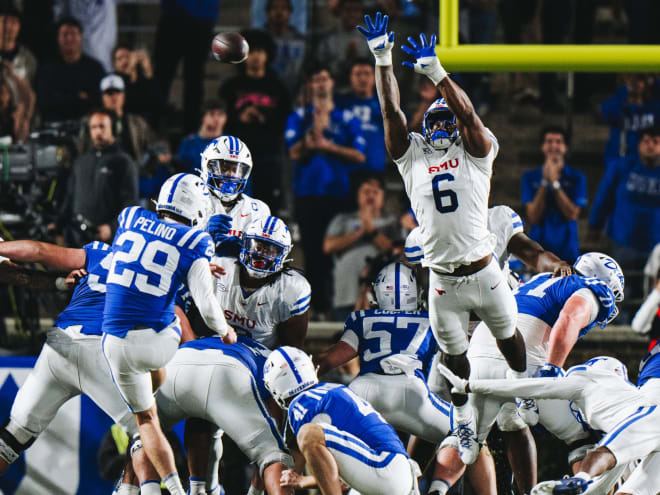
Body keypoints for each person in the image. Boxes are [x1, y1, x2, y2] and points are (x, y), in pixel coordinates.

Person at [357, 12, 527, 464]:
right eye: (431, 120)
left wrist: (436, 72)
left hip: (485, 270)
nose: (437, 127)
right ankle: (465, 417)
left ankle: (523, 391)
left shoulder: (476, 153)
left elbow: (468, 113)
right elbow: (390, 111)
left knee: (510, 339)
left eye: (443, 119)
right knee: (454, 360)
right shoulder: (411, 157)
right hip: (442, 282)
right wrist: (383, 59)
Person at [405, 204, 573, 494]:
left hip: (496, 330)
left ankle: (527, 491)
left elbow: (532, 253)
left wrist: (554, 264)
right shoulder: (427, 230)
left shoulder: (497, 218)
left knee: (511, 418)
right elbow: (424, 279)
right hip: (456, 332)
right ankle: (406, 485)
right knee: (433, 416)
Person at [428, 252, 624, 495]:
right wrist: (551, 369)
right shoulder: (589, 288)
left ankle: (436, 489)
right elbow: (570, 316)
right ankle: (589, 488)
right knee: (585, 437)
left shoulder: (539, 279)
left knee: (468, 434)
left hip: (480, 355)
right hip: (525, 361)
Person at [101, 173, 237, 495]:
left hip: (112, 342)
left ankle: (153, 490)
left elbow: (142, 257)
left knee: (146, 420)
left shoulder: (130, 216)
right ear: (199, 211)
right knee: (174, 313)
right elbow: (206, 307)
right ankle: (180, 490)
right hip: (156, 342)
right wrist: (226, 331)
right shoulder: (196, 241)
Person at [314, 262, 499, 495]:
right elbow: (461, 351)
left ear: (377, 293)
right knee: (470, 432)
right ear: (417, 294)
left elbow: (332, 358)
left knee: (326, 441)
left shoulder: (362, 318)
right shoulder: (430, 318)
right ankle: (438, 488)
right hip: (412, 391)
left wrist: (302, 373)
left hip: (363, 392)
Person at [0, 240, 142, 479]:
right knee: (146, 433)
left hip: (61, 343)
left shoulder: (99, 252)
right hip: (99, 347)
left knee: (15, 434)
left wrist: (57, 281)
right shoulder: (164, 266)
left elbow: (21, 265)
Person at [439, 356, 660, 495]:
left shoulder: (582, 383)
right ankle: (580, 483)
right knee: (634, 488)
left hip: (641, 427)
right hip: (636, 435)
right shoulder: (625, 391)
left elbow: (530, 387)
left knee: (606, 455)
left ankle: (578, 481)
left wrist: (470, 385)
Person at [263, 346, 421, 495]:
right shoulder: (331, 391)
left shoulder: (303, 404)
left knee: (308, 433)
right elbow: (335, 473)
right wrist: (303, 481)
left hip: (384, 469)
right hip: (392, 474)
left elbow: (287, 473)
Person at [286, 63, 366, 317]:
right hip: (308, 194)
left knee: (339, 251)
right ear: (310, 85)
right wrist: (311, 142)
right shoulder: (300, 116)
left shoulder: (347, 117)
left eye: (325, 78)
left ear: (332, 83)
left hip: (339, 193)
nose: (321, 83)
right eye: (316, 79)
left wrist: (328, 146)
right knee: (311, 250)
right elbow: (293, 152)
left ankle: (340, 307)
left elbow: (359, 155)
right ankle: (316, 307)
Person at [219, 29, 291, 213]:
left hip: (269, 156)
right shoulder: (230, 87)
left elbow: (286, 120)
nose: (256, 57)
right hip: (237, 158)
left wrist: (263, 118)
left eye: (260, 51)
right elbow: (220, 120)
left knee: (267, 209)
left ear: (268, 55)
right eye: (252, 52)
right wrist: (239, 118)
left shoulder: (279, 87)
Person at [55, 109, 138, 247]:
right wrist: (58, 224)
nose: (98, 131)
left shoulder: (123, 162)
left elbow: (131, 202)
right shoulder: (81, 161)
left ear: (113, 129)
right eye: (94, 127)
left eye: (102, 126)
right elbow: (70, 197)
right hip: (77, 240)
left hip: (107, 241)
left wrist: (112, 228)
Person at [323, 174, 401, 320]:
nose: (370, 196)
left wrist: (371, 231)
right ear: (358, 195)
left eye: (375, 192)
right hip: (345, 295)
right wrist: (359, 232)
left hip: (382, 297)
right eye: (366, 192)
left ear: (383, 197)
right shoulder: (343, 220)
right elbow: (328, 246)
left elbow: (395, 250)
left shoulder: (392, 222)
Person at [589, 125, 660, 277]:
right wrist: (595, 225)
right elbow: (604, 197)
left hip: (656, 243)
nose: (651, 146)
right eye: (646, 141)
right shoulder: (621, 166)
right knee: (622, 288)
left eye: (655, 142)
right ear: (639, 145)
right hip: (623, 239)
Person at [521, 127, 587, 263]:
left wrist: (555, 184)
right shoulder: (529, 177)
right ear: (542, 146)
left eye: (558, 142)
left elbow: (572, 214)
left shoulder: (577, 177)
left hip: (567, 251)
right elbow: (533, 216)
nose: (554, 146)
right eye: (549, 141)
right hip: (539, 251)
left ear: (566, 147)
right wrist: (545, 182)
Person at [153, 0, 217, 133]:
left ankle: (191, 132)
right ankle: (154, 127)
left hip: (201, 19)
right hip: (175, 15)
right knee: (162, 78)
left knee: (194, 80)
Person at [199, 135, 271, 251]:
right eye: (224, 168)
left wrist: (247, 249)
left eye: (236, 169)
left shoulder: (257, 210)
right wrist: (202, 232)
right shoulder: (194, 199)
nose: (231, 174)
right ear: (207, 167)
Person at [35, 16, 105, 123]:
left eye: (73, 34)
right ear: (58, 38)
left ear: (81, 37)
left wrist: (62, 97)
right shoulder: (47, 69)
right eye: (65, 34)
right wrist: (78, 97)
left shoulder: (95, 68)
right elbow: (44, 102)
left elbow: (100, 101)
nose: (69, 38)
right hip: (54, 126)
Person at [336, 58, 387, 173]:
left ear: (375, 77)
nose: (363, 79)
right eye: (358, 74)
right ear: (350, 78)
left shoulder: (384, 104)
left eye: (367, 74)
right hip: (344, 170)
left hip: (375, 169)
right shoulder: (339, 104)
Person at [601, 74, 660, 165]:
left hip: (647, 162)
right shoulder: (618, 104)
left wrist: (654, 82)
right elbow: (606, 113)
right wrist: (624, 90)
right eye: (630, 78)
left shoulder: (653, 107)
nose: (635, 82)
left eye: (639, 79)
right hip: (618, 159)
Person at [98, 73, 156, 162]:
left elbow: (155, 141)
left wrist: (161, 150)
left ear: (123, 95)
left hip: (133, 171)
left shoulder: (137, 122)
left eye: (118, 92)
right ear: (102, 97)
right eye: (109, 93)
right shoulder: (93, 122)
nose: (114, 97)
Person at [316, 0, 371, 89]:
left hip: (362, 91)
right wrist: (346, 61)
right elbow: (320, 69)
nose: (352, 14)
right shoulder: (329, 39)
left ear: (361, 13)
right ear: (340, 12)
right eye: (348, 10)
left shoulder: (370, 38)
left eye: (356, 10)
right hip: (336, 90)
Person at [263, 0, 306, 97]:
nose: (279, 12)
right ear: (268, 13)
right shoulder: (259, 41)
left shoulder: (301, 41)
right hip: (266, 95)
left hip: (294, 95)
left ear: (290, 12)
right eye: (274, 8)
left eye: (283, 8)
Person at [112, 44, 161, 127]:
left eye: (127, 57)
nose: (125, 61)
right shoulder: (113, 80)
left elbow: (158, 103)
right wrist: (130, 70)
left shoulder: (143, 79)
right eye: (120, 59)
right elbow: (126, 104)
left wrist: (148, 70)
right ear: (114, 64)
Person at [178, 101, 227, 174]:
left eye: (220, 114)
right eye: (212, 114)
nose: (216, 119)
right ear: (203, 117)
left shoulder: (230, 143)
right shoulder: (188, 142)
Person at [0, 2, 37, 83]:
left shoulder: (28, 59)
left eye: (13, 22)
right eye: (4, 21)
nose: (8, 27)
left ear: (19, 27)